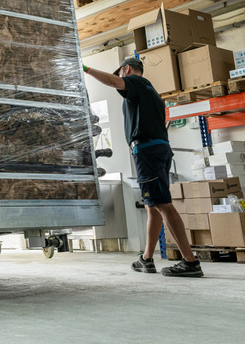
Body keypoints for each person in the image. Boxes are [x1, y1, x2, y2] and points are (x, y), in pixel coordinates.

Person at [83, 56, 203, 277]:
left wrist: (86, 69)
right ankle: (146, 259)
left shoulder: (138, 82)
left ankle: (190, 261)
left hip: (147, 151)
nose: (120, 78)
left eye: (121, 73)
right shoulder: (152, 93)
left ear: (127, 69)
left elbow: (112, 82)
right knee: (153, 206)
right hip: (158, 149)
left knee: (163, 205)